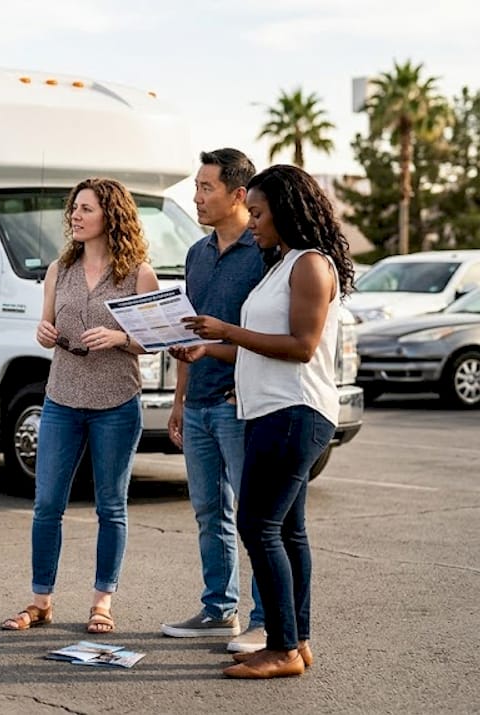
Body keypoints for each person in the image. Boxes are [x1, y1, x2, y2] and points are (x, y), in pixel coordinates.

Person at [182, 164, 354, 679]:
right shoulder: (282, 264)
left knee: (257, 524)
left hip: (294, 413)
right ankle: (296, 641)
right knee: (289, 530)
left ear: (287, 210)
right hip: (268, 410)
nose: (252, 221)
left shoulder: (310, 265)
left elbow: (301, 347)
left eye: (258, 212)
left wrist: (228, 329)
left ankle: (280, 646)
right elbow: (258, 350)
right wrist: (209, 348)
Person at [1, 177, 158, 636]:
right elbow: (44, 325)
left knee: (111, 506)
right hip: (61, 399)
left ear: (111, 215)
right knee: (47, 503)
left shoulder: (138, 274)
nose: (75, 216)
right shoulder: (58, 269)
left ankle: (102, 602)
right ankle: (40, 601)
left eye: (85, 209)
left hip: (116, 402)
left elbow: (154, 341)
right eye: (74, 209)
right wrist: (43, 332)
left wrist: (120, 338)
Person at [161, 149, 268, 653]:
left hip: (240, 402)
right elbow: (190, 329)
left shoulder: (266, 250)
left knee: (255, 517)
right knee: (209, 512)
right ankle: (218, 610)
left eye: (206, 188)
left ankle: (265, 621)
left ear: (238, 195)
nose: (197, 197)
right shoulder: (197, 253)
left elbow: (268, 334)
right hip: (200, 401)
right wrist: (180, 399)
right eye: (196, 187)